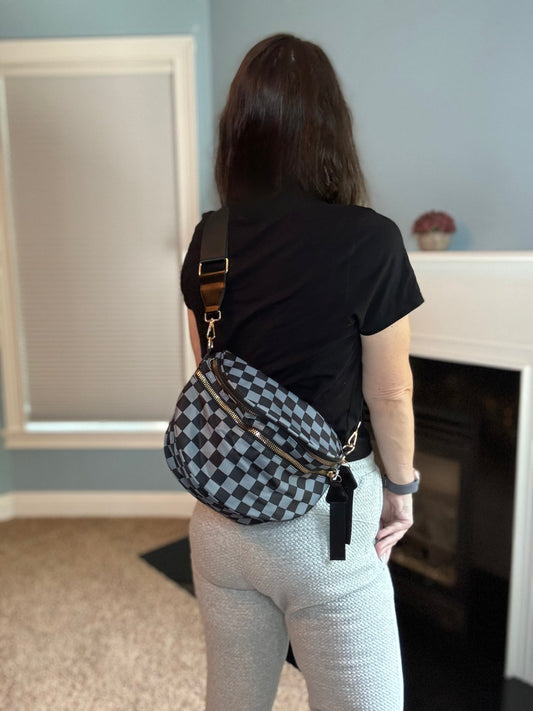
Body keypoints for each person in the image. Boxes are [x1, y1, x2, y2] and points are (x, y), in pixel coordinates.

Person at [180, 33, 423, 711]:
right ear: (330, 127)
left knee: (234, 699)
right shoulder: (368, 239)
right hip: (326, 530)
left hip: (221, 517)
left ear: (239, 129)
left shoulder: (210, 238)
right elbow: (391, 390)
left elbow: (215, 382)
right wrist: (401, 488)